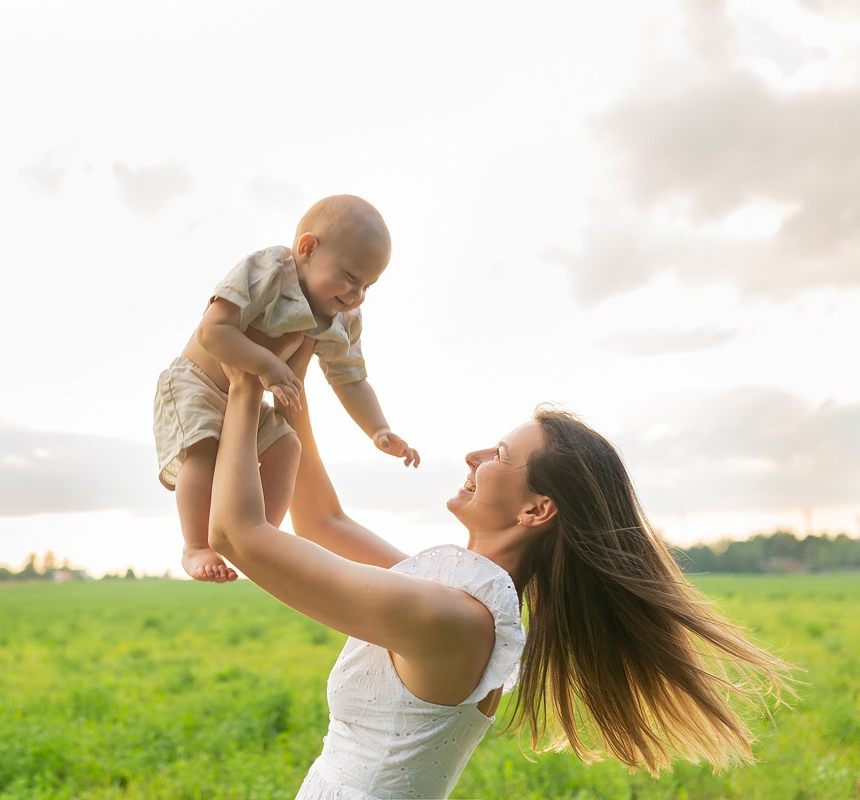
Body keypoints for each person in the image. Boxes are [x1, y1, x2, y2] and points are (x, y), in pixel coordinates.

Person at [208, 338, 793, 799]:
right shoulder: (455, 597)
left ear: (536, 509)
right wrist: (293, 393)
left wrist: (241, 384)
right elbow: (323, 524)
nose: (474, 457)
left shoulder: (452, 619)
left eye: (501, 457)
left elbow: (238, 535)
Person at [153, 195, 420, 583]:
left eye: (368, 285)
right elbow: (213, 331)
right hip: (197, 382)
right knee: (204, 451)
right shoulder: (269, 272)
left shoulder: (341, 316)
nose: (357, 294)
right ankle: (195, 545)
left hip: (242, 399)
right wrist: (268, 365)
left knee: (287, 447)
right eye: (350, 276)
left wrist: (378, 428)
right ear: (308, 248)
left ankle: (261, 540)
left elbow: (350, 378)